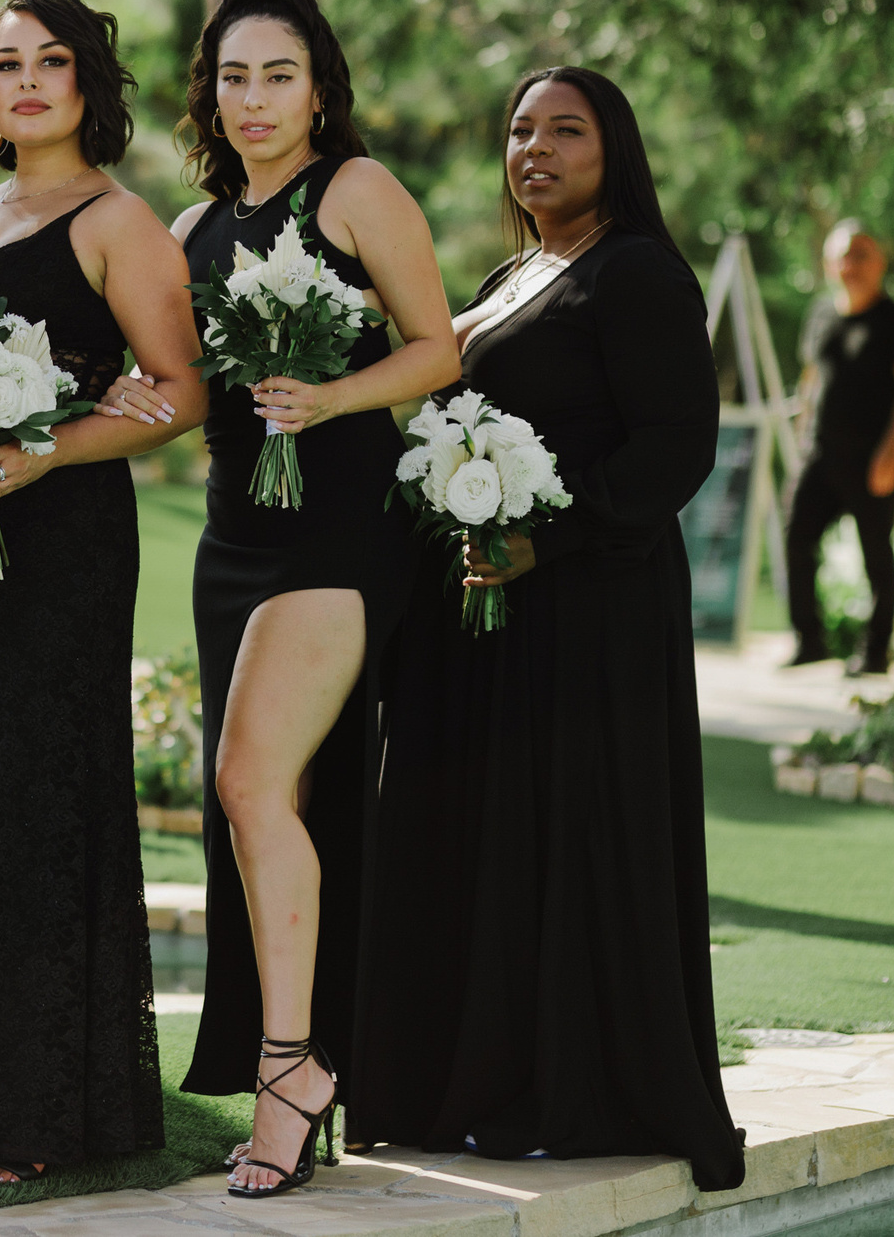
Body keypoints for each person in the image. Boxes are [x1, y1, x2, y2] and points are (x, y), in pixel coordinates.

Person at [347, 65, 745, 1193]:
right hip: (483, 611)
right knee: (484, 840)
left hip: (589, 613)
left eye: (565, 131)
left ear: (612, 149)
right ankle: (459, 1082)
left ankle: (573, 1087)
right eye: (520, 130)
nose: (535, 150)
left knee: (568, 837)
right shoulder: (518, 272)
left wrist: (549, 540)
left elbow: (675, 448)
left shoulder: (636, 273)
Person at [105, 0, 457, 1198]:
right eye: (233, 77)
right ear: (209, 92)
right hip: (232, 538)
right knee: (263, 810)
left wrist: (334, 393)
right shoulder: (196, 230)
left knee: (249, 782)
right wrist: (134, 398)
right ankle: (307, 1055)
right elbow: (187, 388)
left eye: (278, 75)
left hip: (343, 533)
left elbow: (438, 346)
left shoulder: (354, 191)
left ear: (319, 88)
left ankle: (291, 1067)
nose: (253, 100)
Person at [0, 0, 205, 1183]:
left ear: (86, 80)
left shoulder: (116, 221)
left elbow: (178, 393)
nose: (25, 82)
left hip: (63, 536)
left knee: (14, 783)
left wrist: (49, 448)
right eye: (4, 64)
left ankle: (32, 1101)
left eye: (49, 62)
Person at [787, 221, 894, 677]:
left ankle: (874, 652)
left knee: (876, 554)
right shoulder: (821, 316)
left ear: (880, 262)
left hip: (874, 460)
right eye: (844, 256)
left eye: (862, 254)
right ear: (830, 264)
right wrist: (801, 435)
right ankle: (810, 641)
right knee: (796, 536)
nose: (852, 265)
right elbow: (811, 380)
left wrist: (893, 451)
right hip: (821, 456)